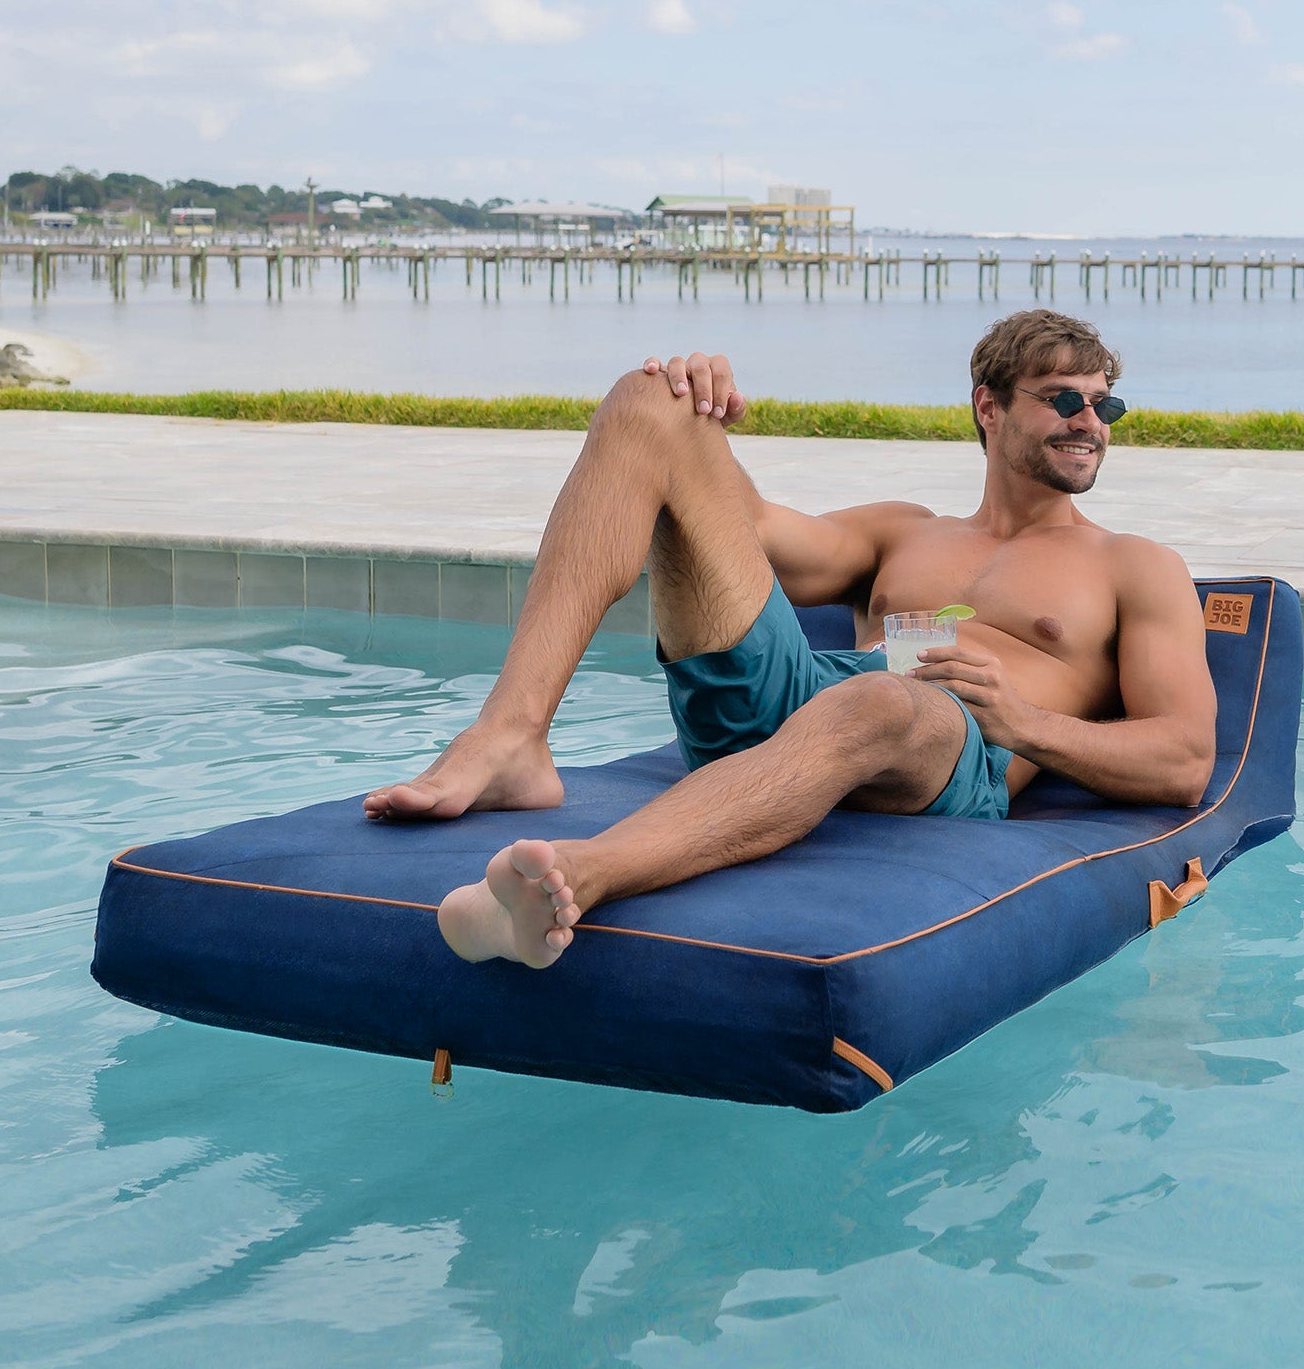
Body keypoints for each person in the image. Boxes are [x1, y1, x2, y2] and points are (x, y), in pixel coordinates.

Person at [361, 309, 1217, 969]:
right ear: (988, 407)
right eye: (1065, 399)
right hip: (802, 699)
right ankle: (511, 737)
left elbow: (1183, 759)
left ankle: (578, 879)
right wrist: (697, 413)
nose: (1089, 421)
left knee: (885, 697)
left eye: (1106, 403)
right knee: (646, 401)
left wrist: (1026, 724)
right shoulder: (904, 531)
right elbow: (743, 521)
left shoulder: (1132, 567)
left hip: (948, 749)